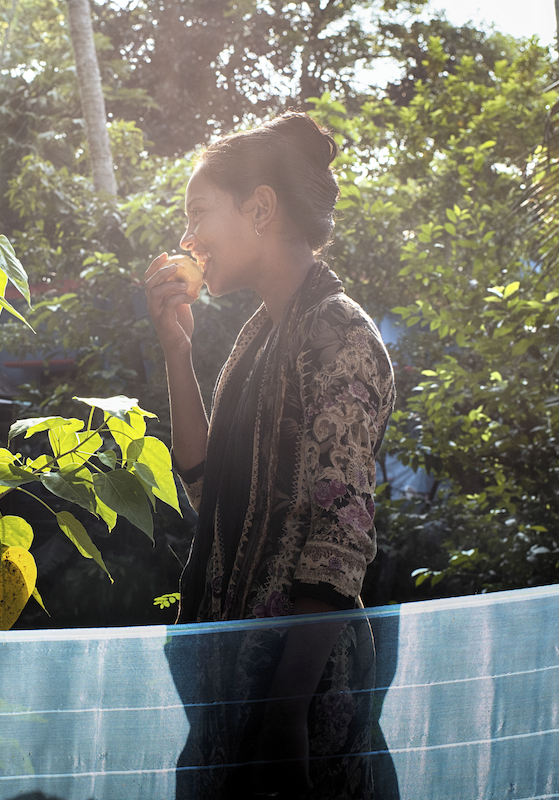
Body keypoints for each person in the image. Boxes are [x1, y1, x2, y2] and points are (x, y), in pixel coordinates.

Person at [144, 111, 396, 799]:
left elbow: (339, 539)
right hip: (232, 689)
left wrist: (284, 715)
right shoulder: (258, 339)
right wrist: (177, 351)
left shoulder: (339, 334)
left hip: (301, 699)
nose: (187, 238)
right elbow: (206, 488)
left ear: (259, 208)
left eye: (199, 213)